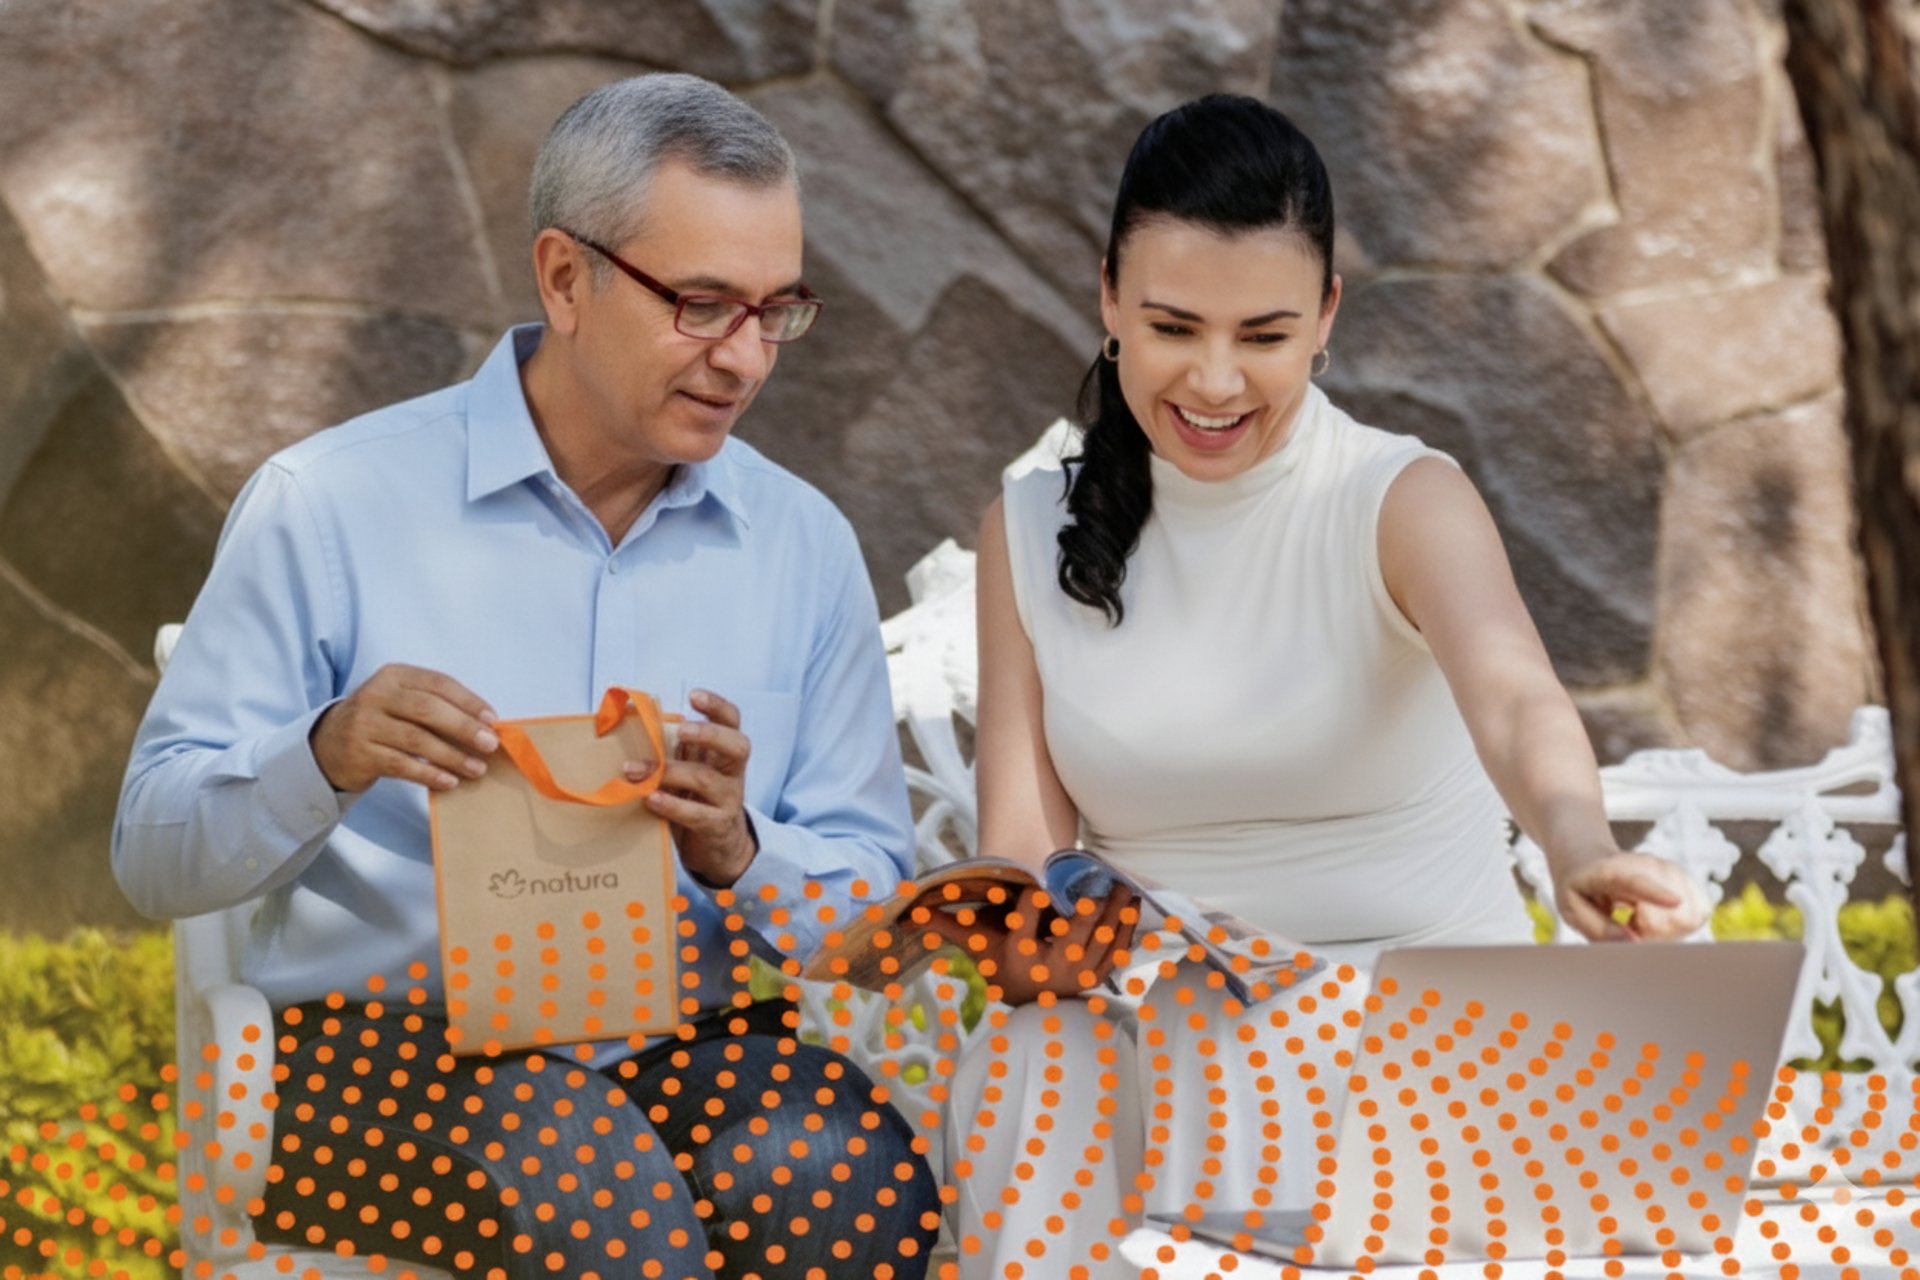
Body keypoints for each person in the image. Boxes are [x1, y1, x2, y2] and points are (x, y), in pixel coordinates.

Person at [113, 74, 940, 1280]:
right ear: (565, 276)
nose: (747, 357)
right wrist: (329, 749)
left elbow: (876, 907)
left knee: (855, 1192)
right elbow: (153, 851)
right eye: (703, 305)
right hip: (377, 1057)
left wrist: (743, 851)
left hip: (685, 1045)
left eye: (777, 310)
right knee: (599, 1207)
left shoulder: (801, 542)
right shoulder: (330, 504)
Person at [942, 95, 1708, 1279]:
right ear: (1107, 301)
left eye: (1262, 333)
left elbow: (1516, 698)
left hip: (1418, 1035)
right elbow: (1026, 848)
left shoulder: (1399, 498)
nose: (1212, 380)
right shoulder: (1027, 527)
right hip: (1180, 1041)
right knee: (1025, 1068)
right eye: (1171, 326)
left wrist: (1576, 844)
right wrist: (1028, 928)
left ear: (1326, 318)